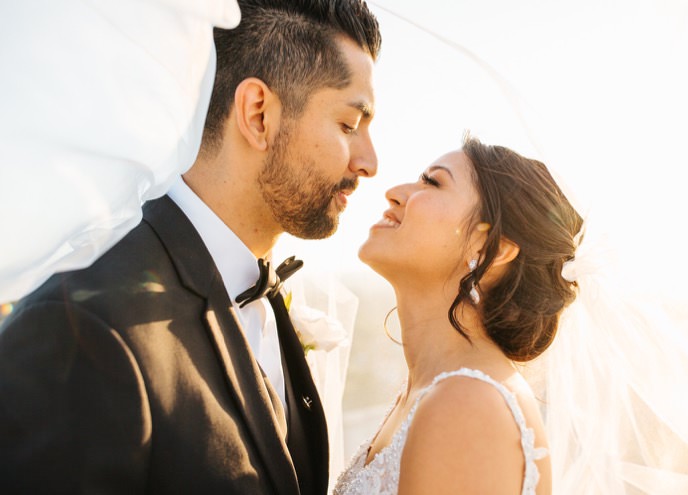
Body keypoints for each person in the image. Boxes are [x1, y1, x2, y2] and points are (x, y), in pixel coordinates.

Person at [0, 0, 381, 493]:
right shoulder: (84, 326)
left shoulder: (266, 294)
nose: (370, 162)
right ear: (258, 114)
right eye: (349, 126)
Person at [334, 135, 580, 495]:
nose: (394, 192)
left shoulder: (467, 405)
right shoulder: (429, 391)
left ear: (492, 248)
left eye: (432, 182)